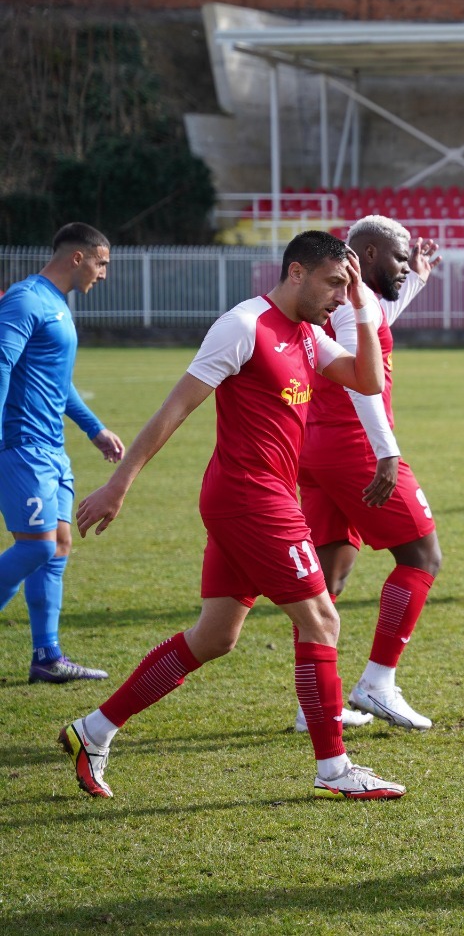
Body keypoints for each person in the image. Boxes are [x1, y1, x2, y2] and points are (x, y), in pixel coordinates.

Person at [64, 231, 405, 801]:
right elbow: (176, 407)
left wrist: (366, 309)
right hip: (251, 500)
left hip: (256, 498)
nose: (341, 297)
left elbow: (368, 381)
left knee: (215, 636)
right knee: (322, 621)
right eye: (334, 283)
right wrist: (120, 482)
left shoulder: (306, 335)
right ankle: (334, 769)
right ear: (296, 272)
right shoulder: (244, 326)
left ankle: (92, 730)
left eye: (348, 289)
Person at [297, 215, 443, 732]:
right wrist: (386, 451)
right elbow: (364, 380)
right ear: (373, 254)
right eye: (400, 259)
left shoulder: (351, 302)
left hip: (316, 446)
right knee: (423, 555)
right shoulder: (349, 309)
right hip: (354, 444)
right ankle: (377, 681)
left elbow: (380, 315)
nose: (405, 268)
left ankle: (313, 703)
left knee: (329, 574)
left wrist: (419, 276)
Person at [0, 223, 124, 684]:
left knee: (58, 546)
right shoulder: (26, 299)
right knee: (37, 546)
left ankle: (46, 656)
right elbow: (1, 363)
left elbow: (58, 381)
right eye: (102, 262)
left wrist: (93, 429)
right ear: (78, 257)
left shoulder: (58, 306)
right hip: (22, 444)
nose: (104, 273)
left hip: (53, 447)